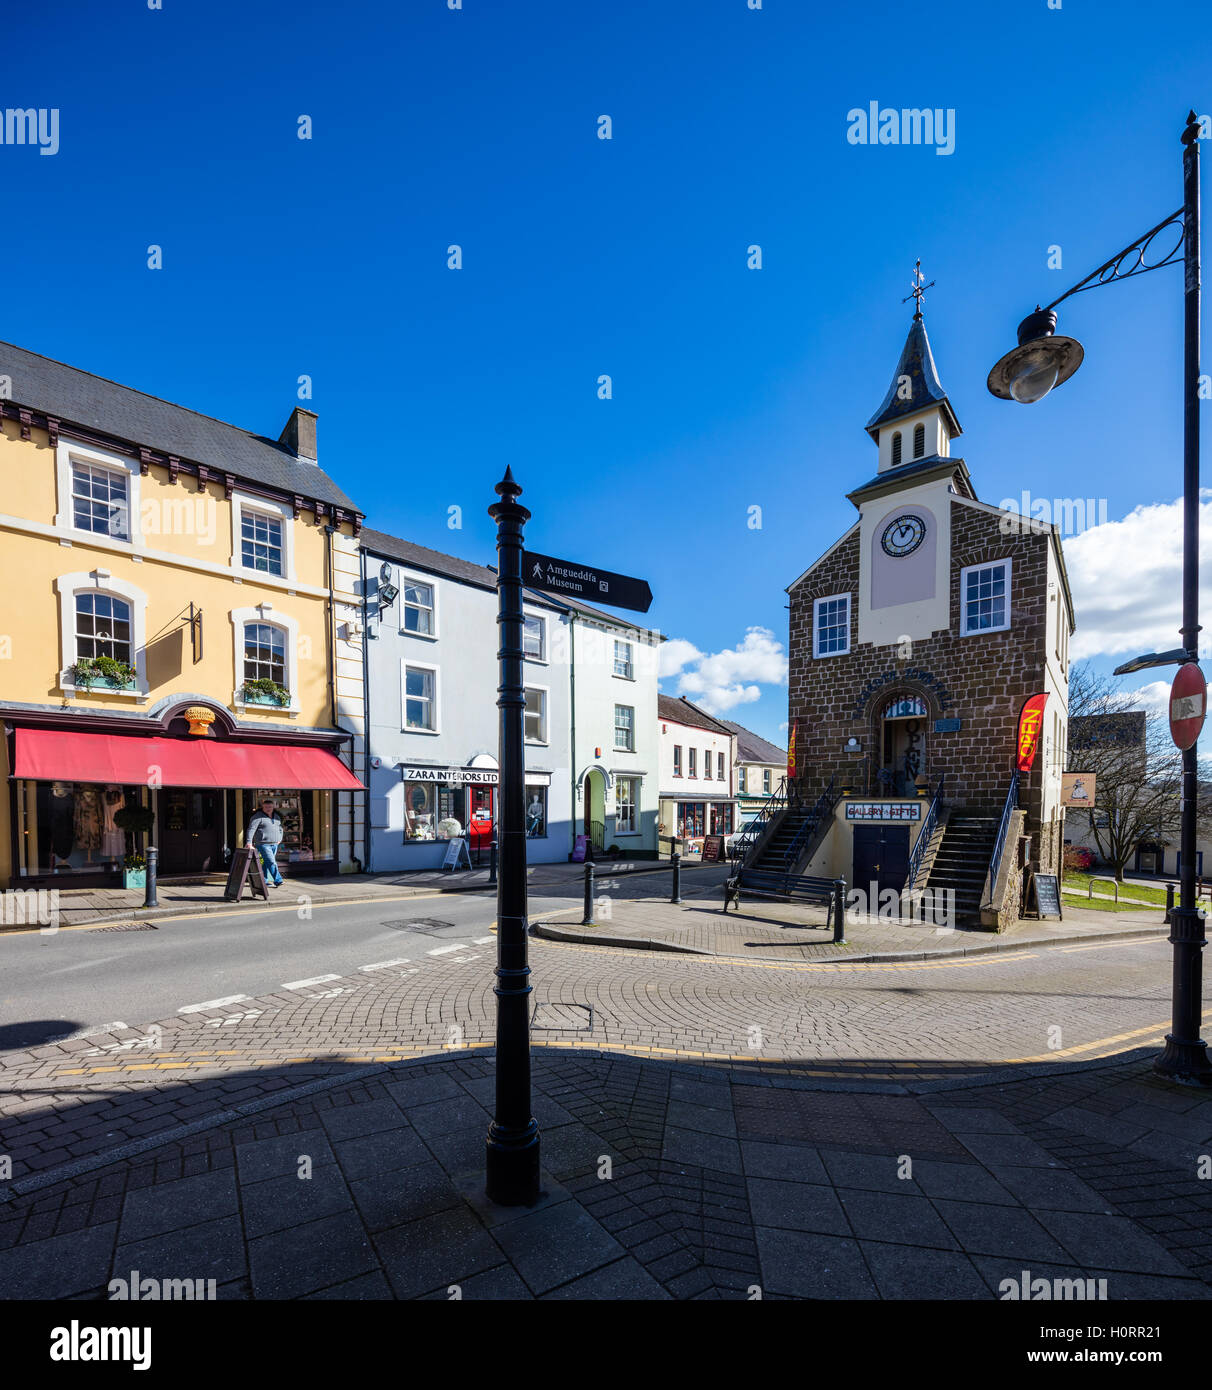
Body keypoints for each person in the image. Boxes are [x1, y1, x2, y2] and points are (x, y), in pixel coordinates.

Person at [247, 798, 285, 887]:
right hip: (263, 844)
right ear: (262, 807)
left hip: (275, 844)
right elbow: (251, 829)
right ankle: (278, 880)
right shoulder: (257, 816)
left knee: (266, 862)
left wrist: (280, 838)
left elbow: (280, 828)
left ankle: (263, 881)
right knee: (271, 862)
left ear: (273, 807)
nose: (268, 808)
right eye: (266, 807)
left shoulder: (277, 816)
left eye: (270, 807)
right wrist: (249, 843)